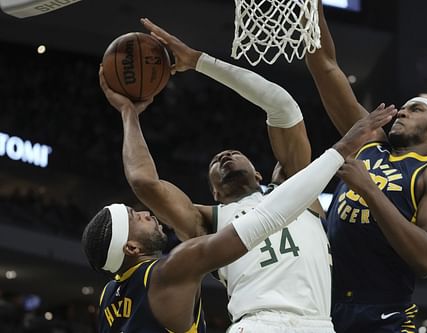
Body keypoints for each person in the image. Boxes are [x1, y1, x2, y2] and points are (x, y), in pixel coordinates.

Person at [98, 18, 396, 333]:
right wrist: (128, 114)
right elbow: (145, 182)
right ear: (213, 193)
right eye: (215, 161)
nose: (224, 155)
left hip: (318, 325)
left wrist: (199, 61)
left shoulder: (294, 185)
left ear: (258, 172)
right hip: (255, 323)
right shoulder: (208, 221)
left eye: (232, 153)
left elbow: (282, 106)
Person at [305, 1, 427, 332]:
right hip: (323, 306)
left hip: (382, 314)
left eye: (416, 109)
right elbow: (325, 66)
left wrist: (369, 189)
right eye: (403, 108)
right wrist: (311, 9)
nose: (403, 112)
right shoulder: (370, 143)